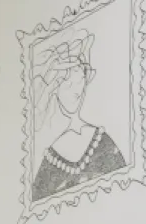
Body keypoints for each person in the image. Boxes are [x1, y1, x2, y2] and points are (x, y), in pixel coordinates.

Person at [28, 30, 129, 203]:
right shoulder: (50, 157)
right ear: (56, 89)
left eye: (79, 80)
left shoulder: (101, 139)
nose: (76, 91)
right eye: (67, 84)